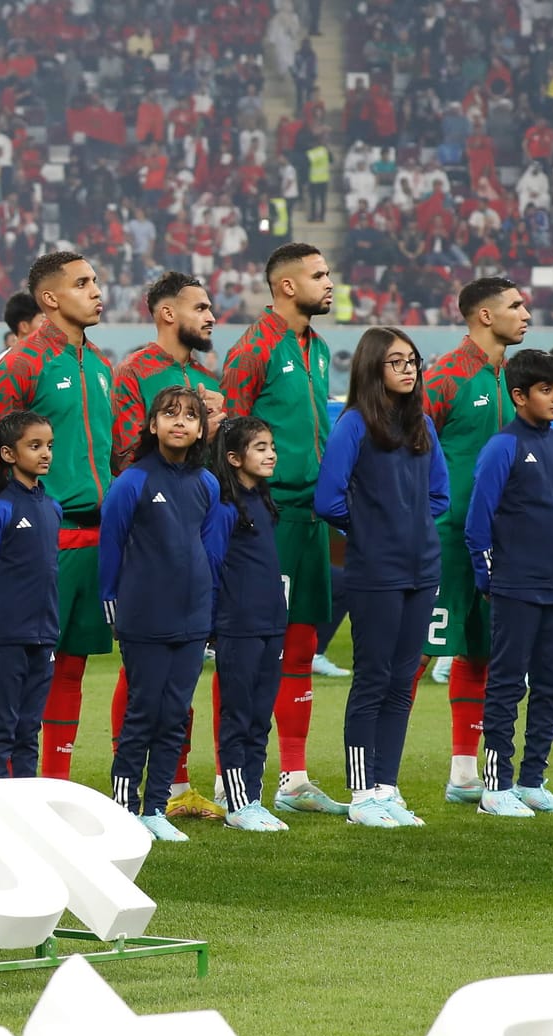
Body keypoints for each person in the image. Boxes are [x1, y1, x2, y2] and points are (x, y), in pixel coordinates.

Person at [0, 251, 114, 781]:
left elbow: (112, 451)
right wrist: (7, 524)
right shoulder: (21, 364)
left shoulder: (99, 364)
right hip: (42, 538)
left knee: (71, 665)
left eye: (95, 281)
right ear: (50, 299)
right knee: (27, 671)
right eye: (82, 283)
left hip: (96, 537)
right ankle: (6, 784)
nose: (97, 291)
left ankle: (53, 783)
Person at [221, 242, 345, 815]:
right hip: (264, 518)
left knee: (300, 645)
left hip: (310, 518)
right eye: (319, 275)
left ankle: (292, 776)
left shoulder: (317, 349)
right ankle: (231, 775)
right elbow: (230, 435)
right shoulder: (255, 347)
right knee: (247, 650)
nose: (330, 283)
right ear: (287, 286)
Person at [313, 328, 448, 829]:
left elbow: (440, 497)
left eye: (412, 360)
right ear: (373, 368)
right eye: (396, 361)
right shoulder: (353, 424)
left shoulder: (422, 426)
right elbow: (327, 499)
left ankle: (387, 788)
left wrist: (409, 526)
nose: (409, 369)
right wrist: (370, 531)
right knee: (373, 679)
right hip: (376, 570)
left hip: (422, 567)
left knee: (402, 681)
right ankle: (360, 795)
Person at [107, 270, 225, 818]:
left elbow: (207, 546)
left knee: (174, 708)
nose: (210, 317)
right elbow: (117, 535)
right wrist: (115, 598)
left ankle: (162, 800)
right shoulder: (133, 371)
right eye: (200, 307)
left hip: (190, 607)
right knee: (143, 703)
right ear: (167, 312)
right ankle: (127, 803)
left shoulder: (204, 480)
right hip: (145, 601)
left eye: (191, 416)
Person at [421, 276, 529, 803]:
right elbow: (408, 446)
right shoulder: (444, 375)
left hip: (498, 541)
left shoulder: (515, 380)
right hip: (442, 536)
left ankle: (465, 774)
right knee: (410, 652)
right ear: (484, 316)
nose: (525, 312)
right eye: (514, 305)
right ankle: (372, 781)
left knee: (482, 653)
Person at [466, 348, 553, 817]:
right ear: (518, 395)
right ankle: (496, 787)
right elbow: (479, 521)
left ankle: (533, 782)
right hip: (515, 586)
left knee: (551, 685)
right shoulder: (503, 447)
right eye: (545, 390)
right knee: (507, 684)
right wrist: (489, 577)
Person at [0, 410, 60, 780]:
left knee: (30, 726)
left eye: (49, 446)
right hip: (5, 636)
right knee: (3, 722)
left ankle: (26, 800)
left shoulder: (53, 508)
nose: (45, 454)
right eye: (34, 446)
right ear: (9, 454)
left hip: (44, 635)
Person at [208, 416, 290, 832]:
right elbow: (212, 566)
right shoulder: (225, 508)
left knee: (261, 716)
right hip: (237, 624)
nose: (270, 453)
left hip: (271, 623)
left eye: (271, 445)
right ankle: (237, 803)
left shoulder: (263, 501)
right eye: (260, 447)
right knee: (238, 714)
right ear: (234, 458)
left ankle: (252, 799)